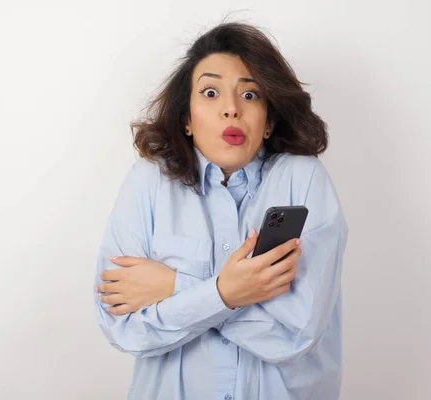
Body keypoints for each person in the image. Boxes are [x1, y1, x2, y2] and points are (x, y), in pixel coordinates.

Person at [94, 21, 348, 400]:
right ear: (186, 119)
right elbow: (124, 326)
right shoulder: (147, 183)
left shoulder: (304, 179)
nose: (231, 109)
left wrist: (177, 288)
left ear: (269, 121)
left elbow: (297, 335)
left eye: (250, 95)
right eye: (210, 92)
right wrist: (231, 293)